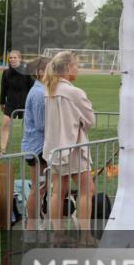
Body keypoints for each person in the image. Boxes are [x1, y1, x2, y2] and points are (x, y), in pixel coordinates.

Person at [43, 51, 96, 229]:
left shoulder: (50, 89)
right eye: (76, 65)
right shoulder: (73, 92)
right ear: (67, 68)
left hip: (55, 148)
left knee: (58, 192)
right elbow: (90, 120)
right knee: (86, 191)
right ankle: (85, 236)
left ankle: (58, 234)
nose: (78, 69)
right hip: (74, 148)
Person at [20, 56, 51, 221]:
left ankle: (33, 221)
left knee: (42, 187)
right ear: (40, 72)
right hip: (37, 147)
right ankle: (31, 224)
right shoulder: (39, 93)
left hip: (38, 146)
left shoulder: (41, 90)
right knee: (38, 188)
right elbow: (41, 124)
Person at [0, 50, 33, 154]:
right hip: (10, 102)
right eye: (10, 58)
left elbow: (32, 87)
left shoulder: (27, 71)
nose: (12, 59)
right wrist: (2, 102)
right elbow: (3, 88)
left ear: (19, 58)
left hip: (25, 102)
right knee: (5, 124)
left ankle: (29, 149)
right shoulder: (6, 73)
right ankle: (2, 150)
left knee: (29, 127)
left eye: (15, 57)